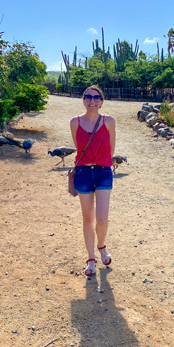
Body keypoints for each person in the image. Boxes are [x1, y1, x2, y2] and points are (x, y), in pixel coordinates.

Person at [70, 85, 116, 276]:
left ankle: (101, 246)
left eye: (96, 97)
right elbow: (78, 146)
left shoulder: (109, 121)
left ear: (101, 101)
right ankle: (90, 259)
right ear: (83, 100)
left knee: (102, 219)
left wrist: (101, 162)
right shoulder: (75, 122)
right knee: (88, 218)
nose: (92, 100)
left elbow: (111, 149)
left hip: (103, 171)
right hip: (82, 173)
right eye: (88, 97)